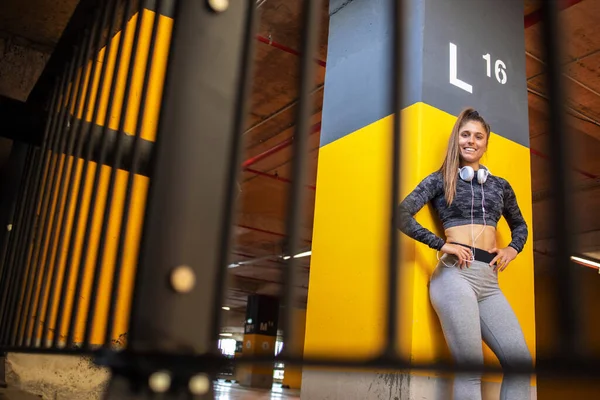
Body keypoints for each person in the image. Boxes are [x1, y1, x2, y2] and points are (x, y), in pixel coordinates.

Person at [396, 108, 533, 400]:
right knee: (471, 369)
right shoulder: (439, 179)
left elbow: (520, 225)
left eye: (478, 136)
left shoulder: (500, 186)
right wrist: (439, 243)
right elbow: (402, 214)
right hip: (454, 277)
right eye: (466, 134)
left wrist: (512, 247)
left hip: (489, 283)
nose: (471, 141)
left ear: (486, 142)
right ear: (456, 138)